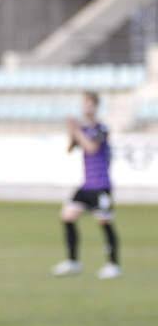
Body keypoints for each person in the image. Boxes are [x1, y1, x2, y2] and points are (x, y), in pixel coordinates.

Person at [52, 92, 121, 279]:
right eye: (84, 104)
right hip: (87, 185)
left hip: (101, 184)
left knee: (104, 221)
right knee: (67, 216)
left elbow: (91, 148)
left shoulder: (101, 128)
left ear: (96, 106)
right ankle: (73, 262)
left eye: (89, 104)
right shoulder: (82, 129)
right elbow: (70, 148)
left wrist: (76, 131)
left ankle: (113, 264)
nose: (86, 108)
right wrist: (71, 130)